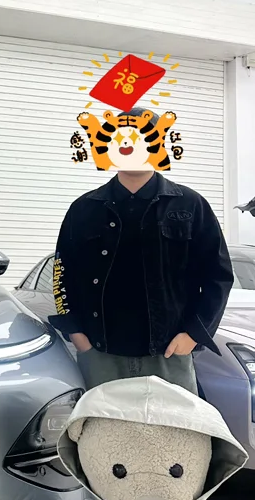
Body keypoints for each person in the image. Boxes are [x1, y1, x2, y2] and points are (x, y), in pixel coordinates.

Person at [50, 108, 233, 393]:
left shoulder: (190, 206)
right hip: (100, 355)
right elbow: (62, 274)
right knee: (100, 423)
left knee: (176, 423)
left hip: (170, 354)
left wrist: (194, 334)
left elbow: (218, 276)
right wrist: (76, 333)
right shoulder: (84, 209)